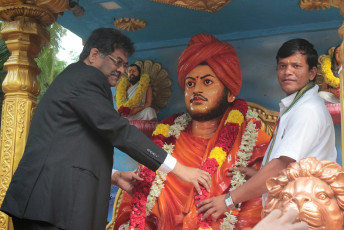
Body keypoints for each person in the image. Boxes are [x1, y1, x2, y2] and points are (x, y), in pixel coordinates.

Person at [0, 28, 211, 230]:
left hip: (49, 205)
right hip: (51, 205)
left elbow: (72, 144)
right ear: (94, 55)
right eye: (117, 61)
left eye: (125, 65)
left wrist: (113, 176)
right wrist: (180, 169)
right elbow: (119, 131)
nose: (121, 70)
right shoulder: (86, 78)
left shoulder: (77, 80)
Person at [113, 34, 271, 230]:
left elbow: (256, 212)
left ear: (230, 93)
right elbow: (134, 203)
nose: (196, 90)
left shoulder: (253, 142)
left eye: (207, 82)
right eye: (190, 83)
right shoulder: (164, 139)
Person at [197, 38, 337, 222]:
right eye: (282, 66)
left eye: (296, 66)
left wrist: (229, 200)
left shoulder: (307, 110)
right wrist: (257, 175)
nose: (288, 72)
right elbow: (292, 168)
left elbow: (281, 166)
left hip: (304, 214)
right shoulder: (296, 106)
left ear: (312, 73)